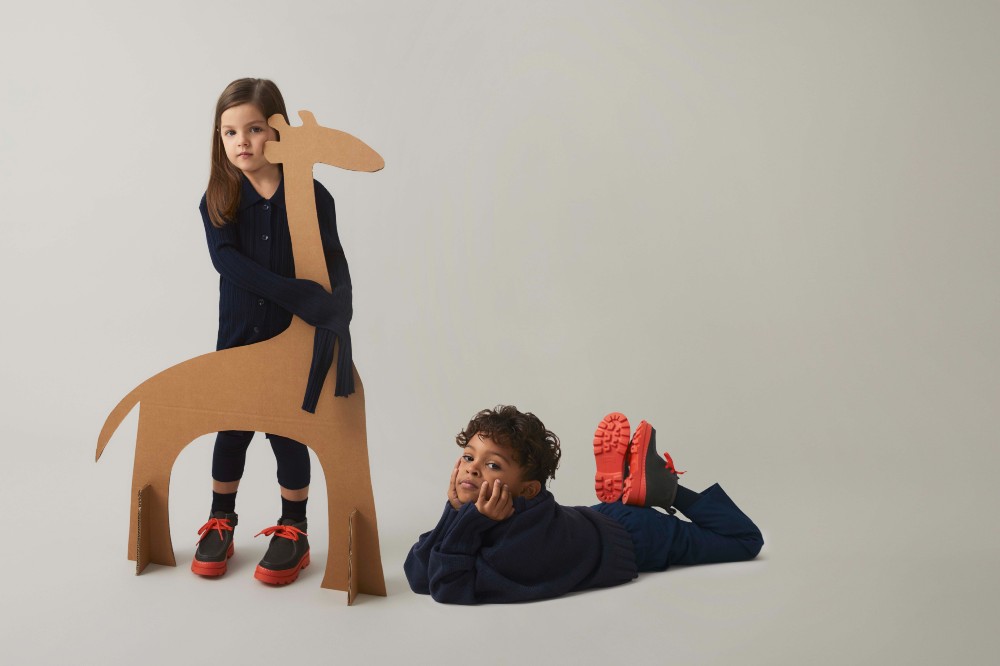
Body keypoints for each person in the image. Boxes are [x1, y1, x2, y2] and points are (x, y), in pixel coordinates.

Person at [190, 78, 354, 585]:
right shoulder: (218, 197)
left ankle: (294, 526)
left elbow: (332, 258)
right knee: (232, 427)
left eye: (254, 128)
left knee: (288, 431)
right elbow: (228, 264)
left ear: (277, 129)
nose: (241, 142)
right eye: (229, 132)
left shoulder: (310, 196)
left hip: (294, 340)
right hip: (239, 337)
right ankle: (221, 517)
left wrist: (338, 311)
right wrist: (298, 293)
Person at [404, 406, 763, 604]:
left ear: (528, 490)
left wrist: (461, 521)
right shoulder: (491, 512)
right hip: (597, 517)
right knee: (617, 511)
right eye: (468, 456)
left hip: (636, 537)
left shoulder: (518, 548)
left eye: (492, 464)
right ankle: (635, 487)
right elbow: (418, 574)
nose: (472, 468)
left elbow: (448, 586)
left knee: (742, 541)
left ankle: (667, 490)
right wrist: (454, 510)